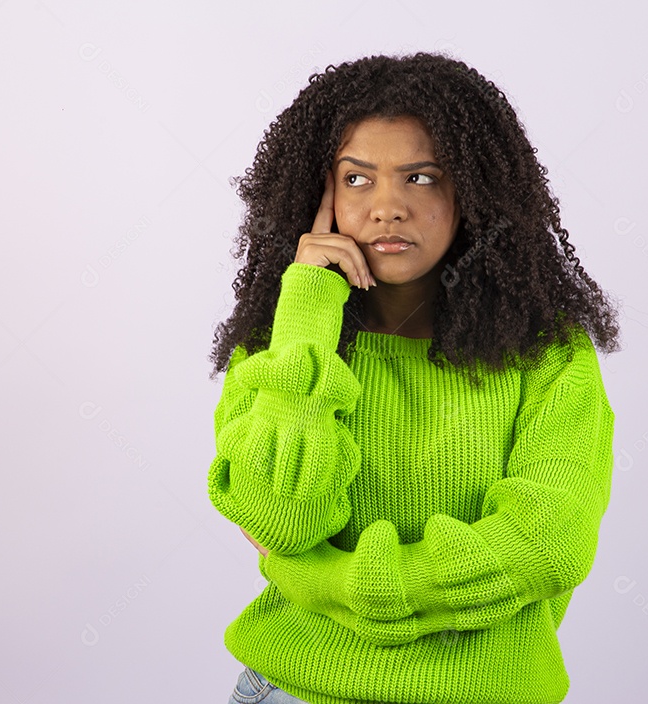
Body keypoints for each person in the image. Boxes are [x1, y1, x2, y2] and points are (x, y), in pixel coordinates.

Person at [208, 51, 622, 704]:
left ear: (473, 191)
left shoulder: (547, 354)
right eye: (358, 179)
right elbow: (283, 521)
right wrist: (310, 307)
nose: (388, 207)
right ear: (323, 193)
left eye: (422, 178)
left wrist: (325, 583)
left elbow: (548, 547)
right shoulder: (284, 344)